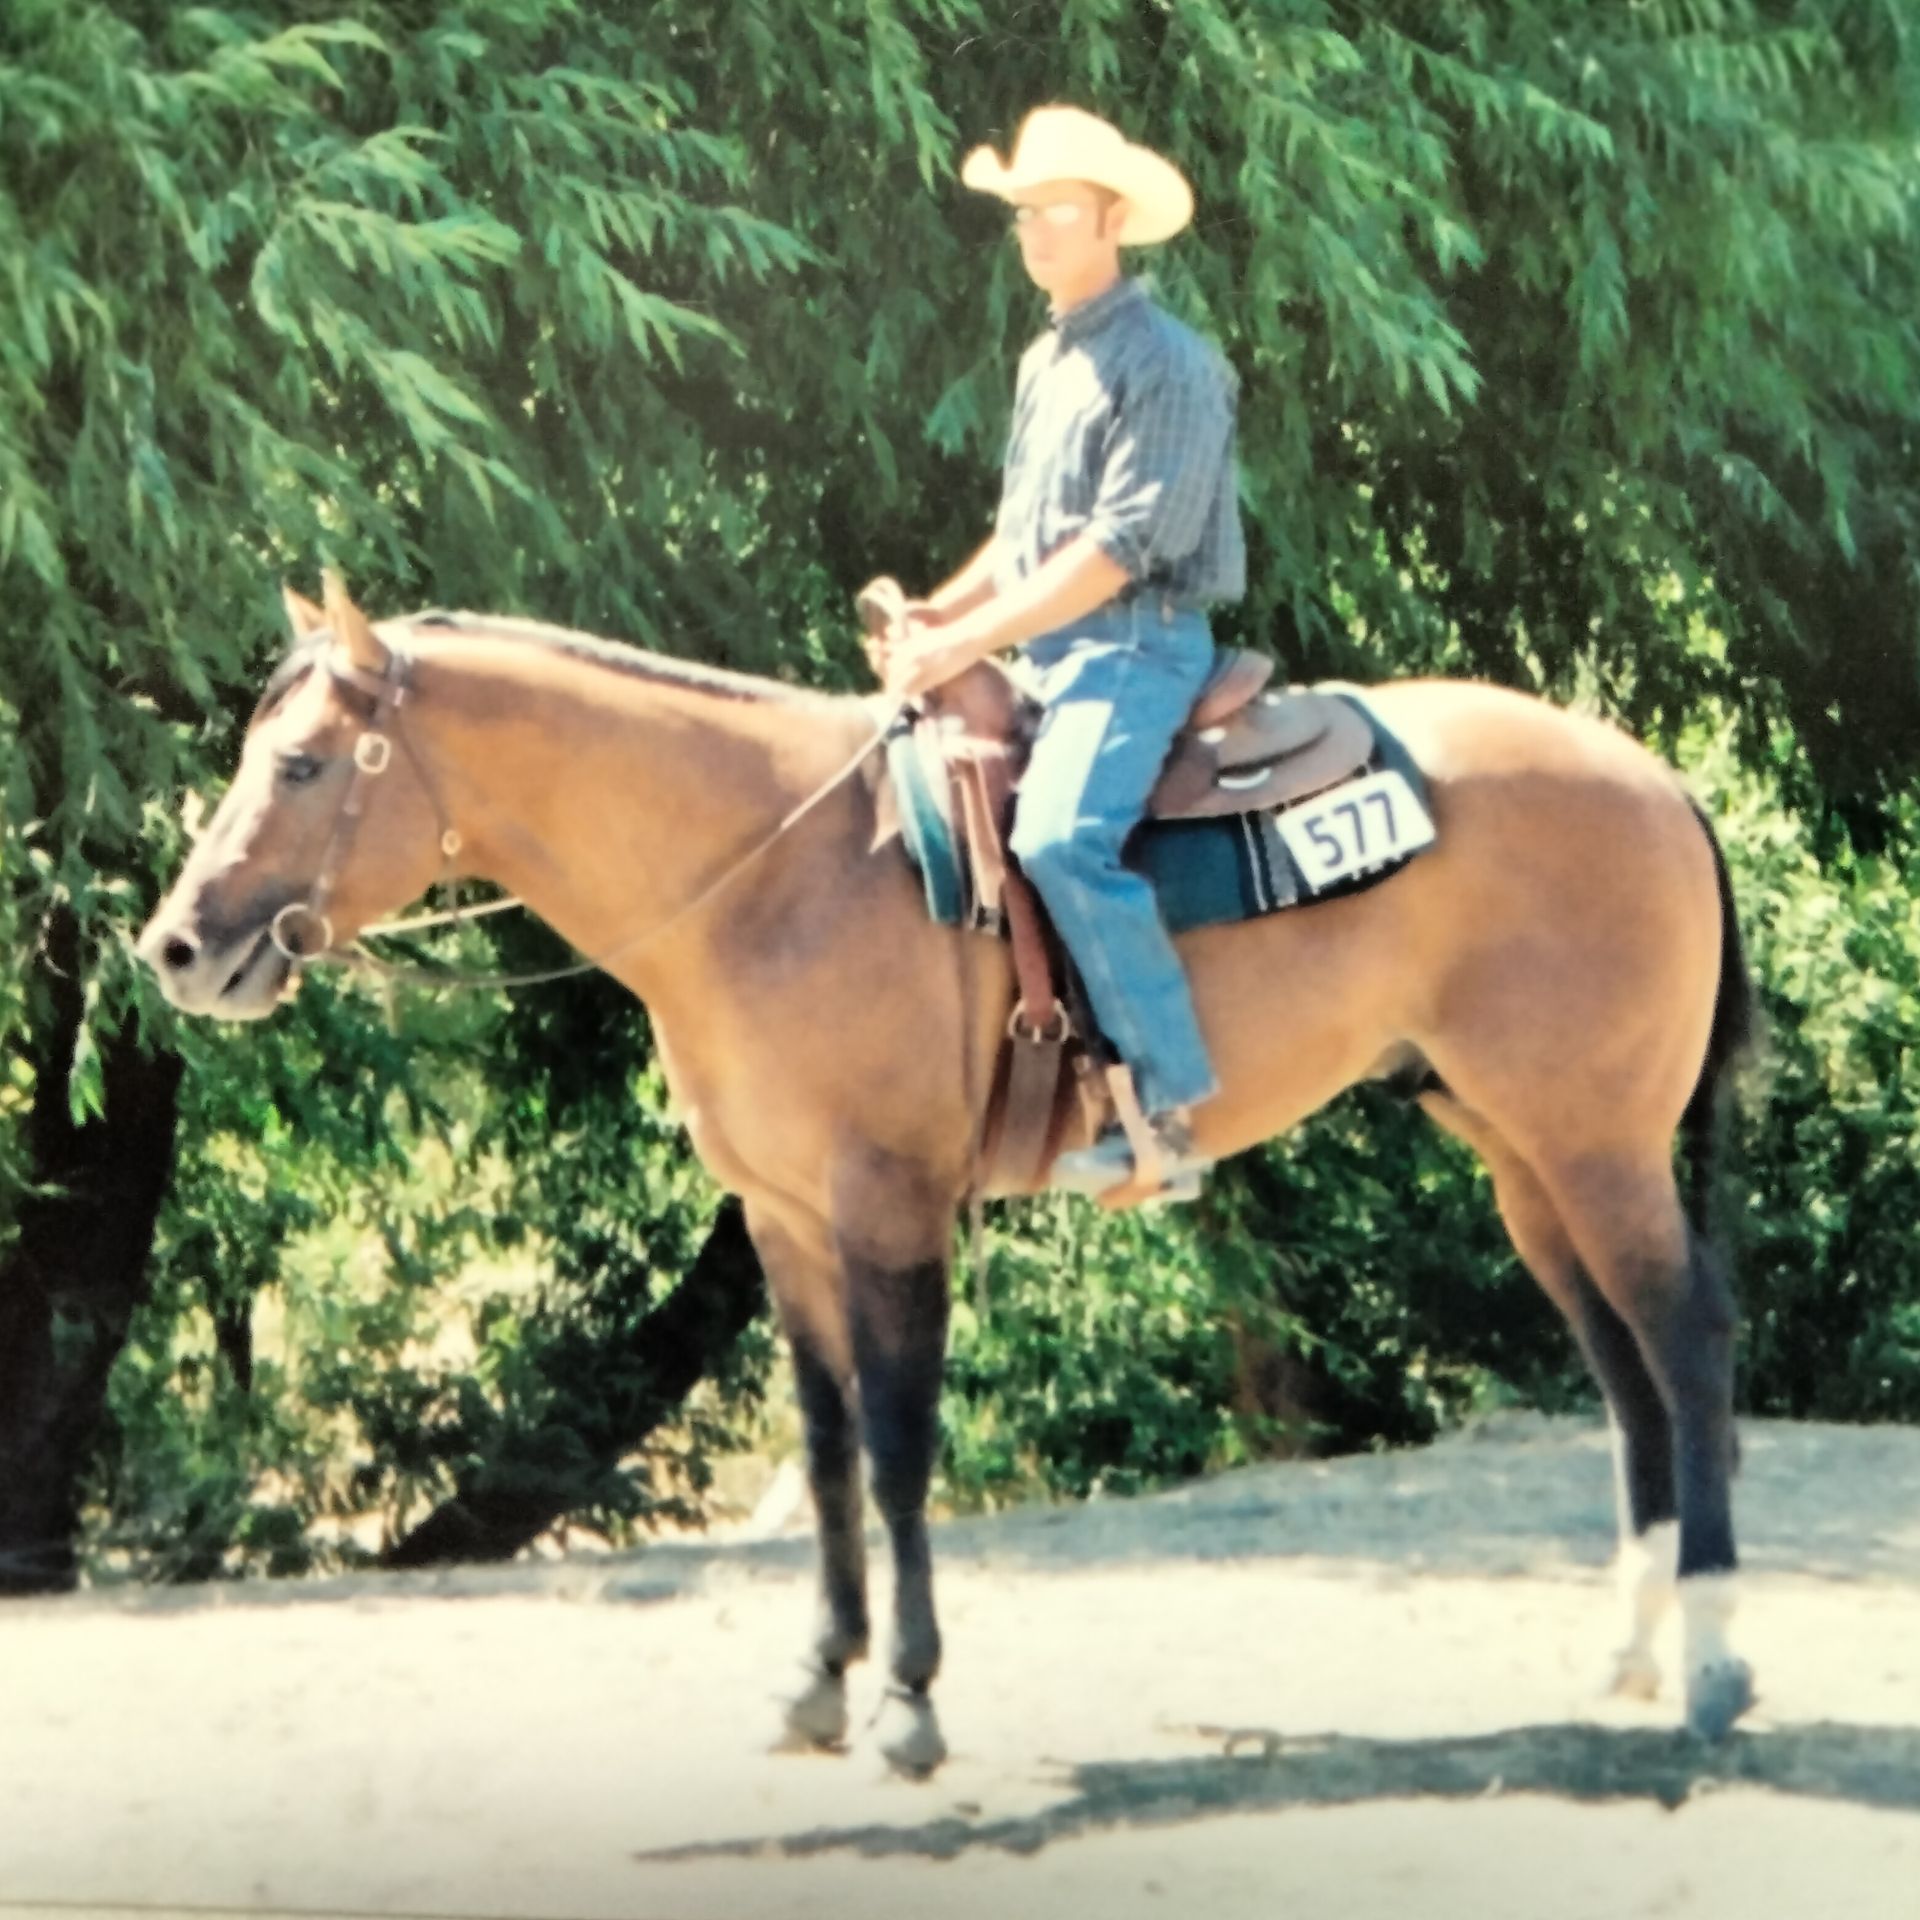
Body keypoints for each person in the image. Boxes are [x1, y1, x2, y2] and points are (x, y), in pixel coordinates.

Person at [885, 104, 1248, 1198]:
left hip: (1138, 649)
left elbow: (1117, 550)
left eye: (1055, 210)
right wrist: (937, 621)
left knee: (1057, 837)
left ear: (1111, 222)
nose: (1034, 230)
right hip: (1052, 654)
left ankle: (1172, 1117)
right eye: (1024, 212)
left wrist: (979, 634)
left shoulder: (1173, 367)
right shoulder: (1048, 360)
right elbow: (1024, 538)